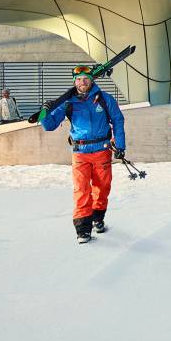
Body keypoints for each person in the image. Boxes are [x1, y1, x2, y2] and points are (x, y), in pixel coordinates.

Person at [41, 65, 126, 244]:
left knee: (102, 188)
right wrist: (45, 113)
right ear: (74, 82)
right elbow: (50, 125)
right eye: (78, 80)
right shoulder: (68, 102)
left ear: (92, 80)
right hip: (80, 153)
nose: (82, 83)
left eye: (86, 79)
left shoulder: (104, 99)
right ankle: (83, 229)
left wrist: (119, 145)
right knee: (81, 190)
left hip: (102, 151)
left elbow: (118, 120)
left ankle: (97, 216)